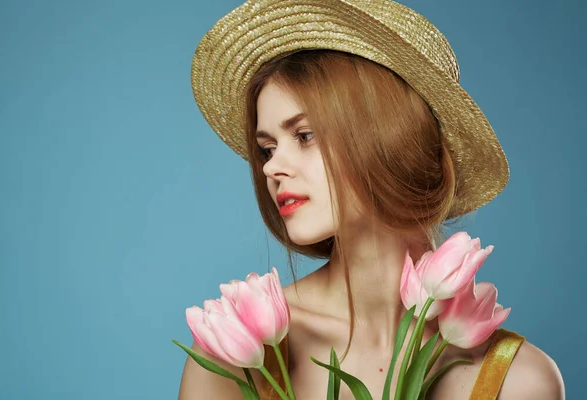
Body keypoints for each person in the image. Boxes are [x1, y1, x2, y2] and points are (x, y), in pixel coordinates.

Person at [179, 1, 565, 399]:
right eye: (268, 148)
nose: (271, 168)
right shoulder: (234, 352)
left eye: (305, 135)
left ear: (390, 140)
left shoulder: (519, 380)